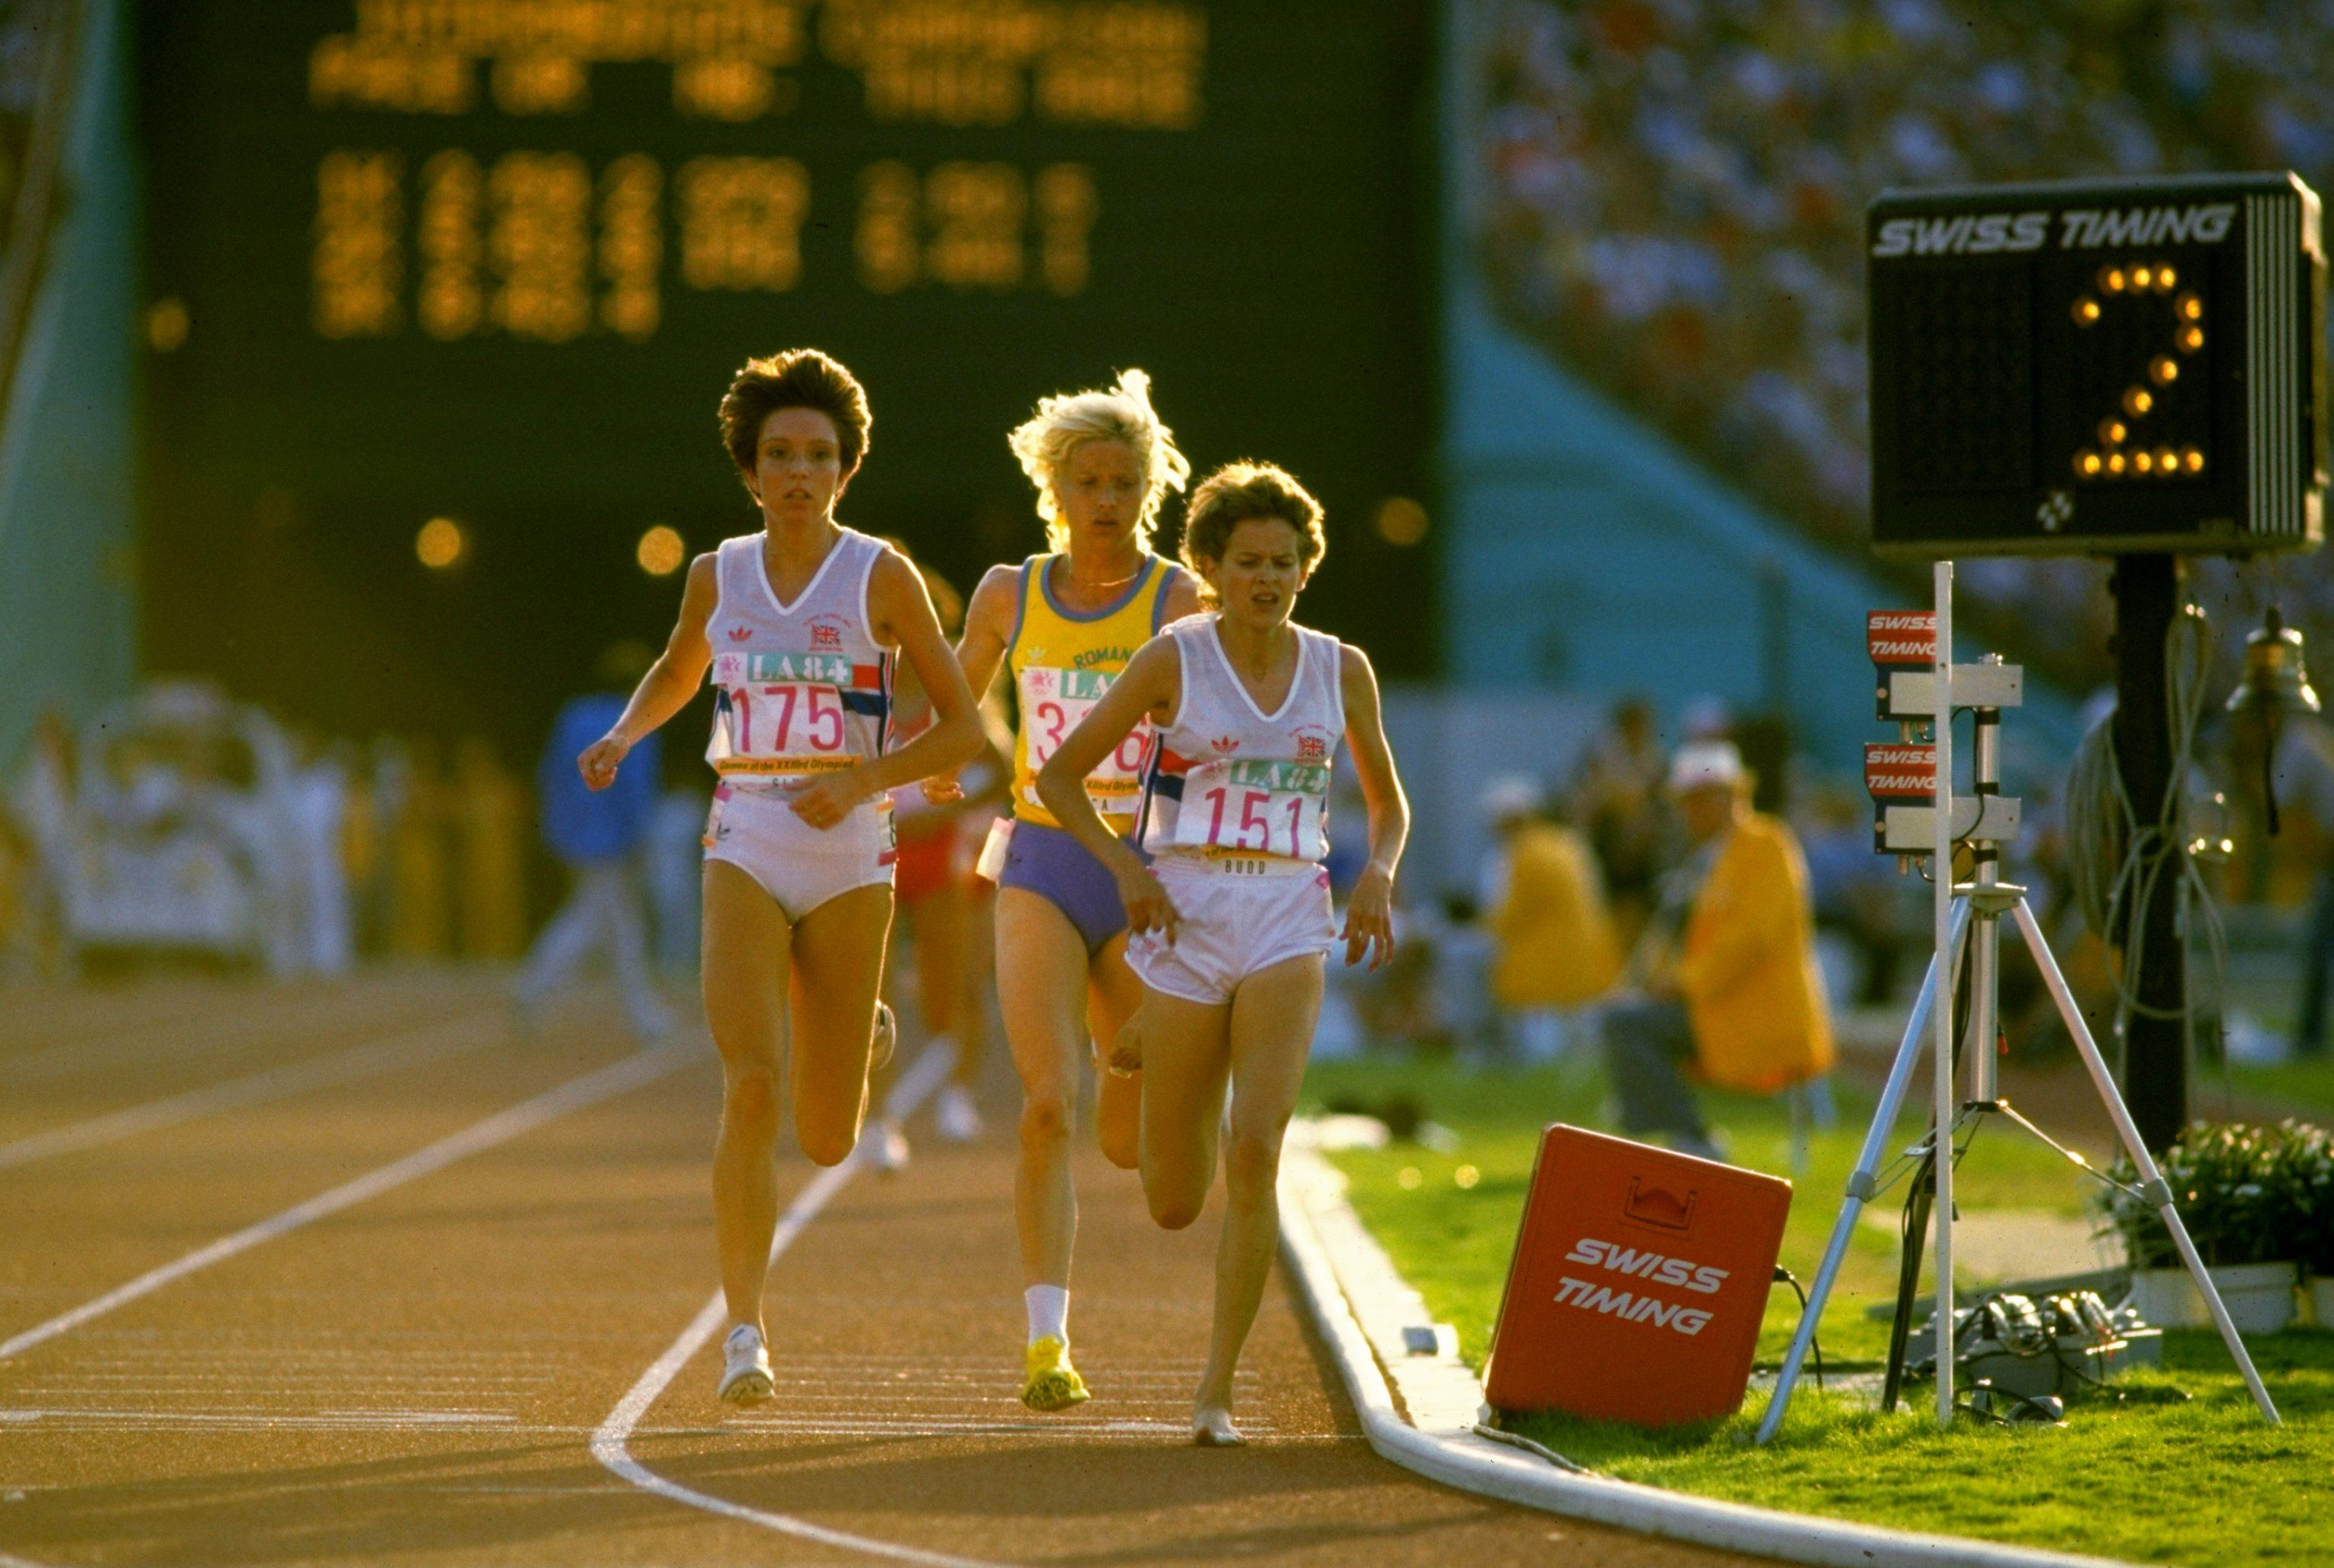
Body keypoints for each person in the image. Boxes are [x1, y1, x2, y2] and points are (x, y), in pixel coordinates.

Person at [572, 348, 984, 1404]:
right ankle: (744, 1333)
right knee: (749, 1087)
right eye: (780, 455)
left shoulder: (880, 575)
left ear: (847, 470)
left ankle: (867, 1036)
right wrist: (624, 735)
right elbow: (680, 666)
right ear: (750, 472)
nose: (800, 472)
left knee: (828, 1133)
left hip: (849, 853)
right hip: (746, 831)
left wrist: (867, 782)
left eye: (820, 455)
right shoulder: (719, 571)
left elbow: (964, 728)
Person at [1038, 460, 1409, 1446]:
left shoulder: (1342, 668)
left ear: (1305, 569)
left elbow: (1386, 800)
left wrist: (1377, 873)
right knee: (1171, 1199)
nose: (1268, 579)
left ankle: (1216, 1392)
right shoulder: (1174, 659)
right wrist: (1126, 869)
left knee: (1258, 1149)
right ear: (1209, 565)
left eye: (1285, 562)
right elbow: (1063, 777)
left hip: (1290, 911)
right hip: (1187, 913)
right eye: (1248, 562)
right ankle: (1158, 1030)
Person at [935, 369, 1201, 1412]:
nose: (1105, 499)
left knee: (1130, 1141)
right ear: (1056, 485)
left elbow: (1215, 720)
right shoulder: (1011, 589)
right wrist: (922, 762)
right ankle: (1048, 1343)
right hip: (1043, 859)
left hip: (1142, 871)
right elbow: (956, 697)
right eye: (1086, 479)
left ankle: (1141, 1060)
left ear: (1149, 488)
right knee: (1047, 1107)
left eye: (1123, 480)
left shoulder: (1178, 597)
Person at [1599, 741, 1833, 1162]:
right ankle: (1666, 1134)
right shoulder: (1714, 857)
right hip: (1724, 1005)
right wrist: (1664, 981)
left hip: (1758, 1011)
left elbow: (1751, 938)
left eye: (1699, 800)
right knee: (1627, 1018)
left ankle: (1690, 1139)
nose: (1690, 812)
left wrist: (1683, 983)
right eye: (1686, 802)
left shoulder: (1766, 845)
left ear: (1730, 797)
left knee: (1625, 1025)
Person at [859, 542, 1011, 1169]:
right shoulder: (866, 681)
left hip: (955, 852)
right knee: (874, 988)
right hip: (881, 850)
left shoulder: (956, 684)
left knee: (953, 991)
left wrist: (942, 813)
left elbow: (1004, 772)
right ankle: (876, 1118)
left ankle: (958, 1092)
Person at [515, 644, 672, 1041]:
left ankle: (536, 992)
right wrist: (638, 840)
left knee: (604, 922)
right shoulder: (637, 723)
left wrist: (558, 827)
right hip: (613, 841)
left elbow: (549, 774)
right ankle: (534, 990)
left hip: (573, 836)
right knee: (603, 926)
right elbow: (635, 790)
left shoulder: (575, 714)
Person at [1479, 773, 1619, 1061]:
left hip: (1547, 967)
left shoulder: (1526, 853)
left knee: (1544, 1051)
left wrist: (1481, 927)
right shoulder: (1568, 843)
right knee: (1583, 1049)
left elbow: (1513, 915)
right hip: (1593, 957)